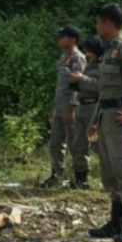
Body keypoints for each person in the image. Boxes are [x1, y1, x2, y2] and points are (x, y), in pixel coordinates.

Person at [71, 4, 122, 242]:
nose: (97, 27)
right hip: (107, 117)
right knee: (111, 172)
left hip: (121, 119)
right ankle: (117, 223)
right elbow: (105, 92)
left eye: (99, 22)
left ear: (108, 23)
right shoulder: (109, 50)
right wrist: (96, 121)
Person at [41, 26, 87, 189]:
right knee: (55, 143)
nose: (59, 40)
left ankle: (81, 179)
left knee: (76, 144)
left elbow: (78, 84)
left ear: (73, 39)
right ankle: (56, 176)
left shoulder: (78, 58)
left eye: (63, 37)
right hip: (60, 106)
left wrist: (72, 107)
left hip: (72, 107)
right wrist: (55, 109)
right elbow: (61, 86)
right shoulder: (63, 57)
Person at [67, 37, 106, 190]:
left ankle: (110, 178)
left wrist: (82, 78)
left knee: (99, 145)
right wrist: (74, 81)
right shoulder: (87, 65)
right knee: (78, 144)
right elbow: (80, 86)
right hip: (82, 106)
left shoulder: (103, 67)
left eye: (88, 50)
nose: (86, 53)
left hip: (94, 107)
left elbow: (100, 87)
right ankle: (81, 179)